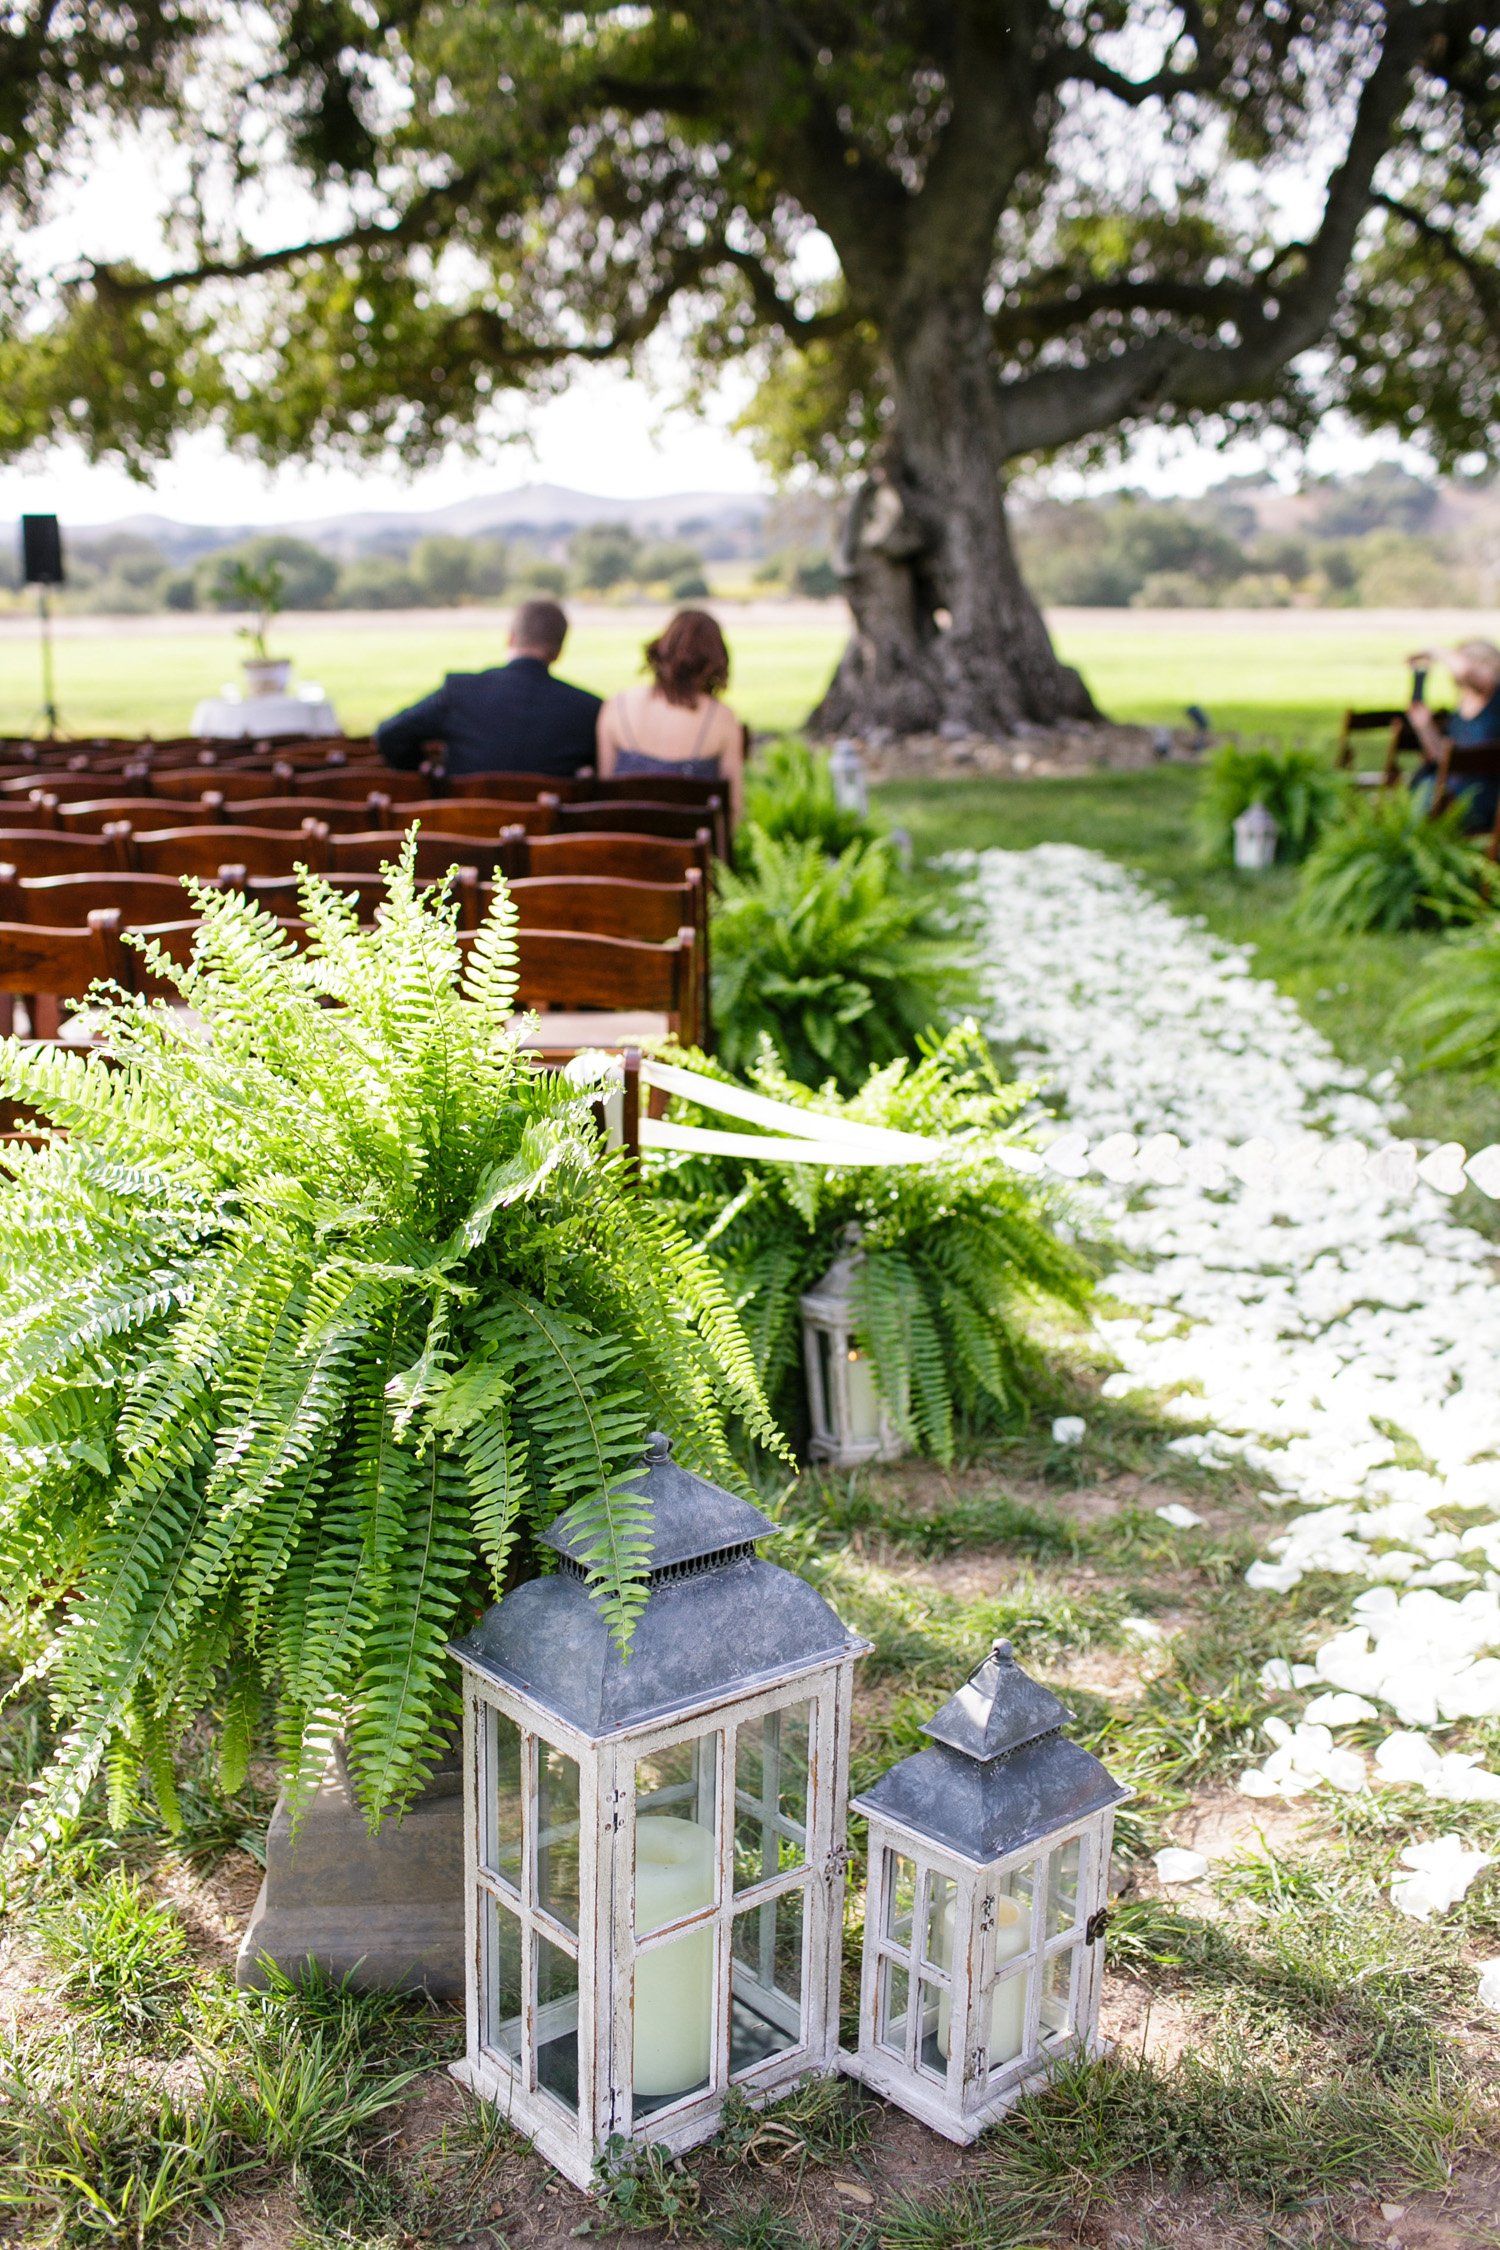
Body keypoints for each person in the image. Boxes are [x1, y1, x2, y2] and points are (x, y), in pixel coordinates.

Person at [374, 598, 601, 777]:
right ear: (558, 651)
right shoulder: (588, 709)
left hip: (461, 827)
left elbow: (389, 734)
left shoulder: (459, 692)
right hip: (550, 831)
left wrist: (426, 775)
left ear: (510, 638)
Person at [596, 609, 745, 821]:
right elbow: (734, 808)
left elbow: (605, 791)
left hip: (625, 847)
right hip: (691, 850)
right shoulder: (722, 718)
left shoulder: (616, 706)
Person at [1406, 639, 1500, 833]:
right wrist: (1424, 726)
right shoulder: (1460, 710)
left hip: (1483, 797)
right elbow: (1443, 757)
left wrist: (1434, 650)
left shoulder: (1495, 701)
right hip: (1449, 793)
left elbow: (1468, 674)